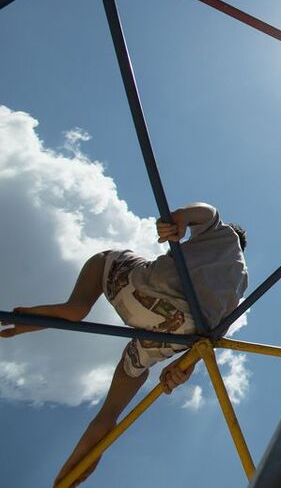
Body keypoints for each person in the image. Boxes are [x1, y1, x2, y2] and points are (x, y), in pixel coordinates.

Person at [1, 203, 248, 486]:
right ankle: (70, 473)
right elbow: (210, 340)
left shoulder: (223, 234)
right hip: (177, 330)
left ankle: (75, 307)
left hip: (142, 290)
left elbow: (207, 212)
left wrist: (179, 219)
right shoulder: (239, 286)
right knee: (125, 382)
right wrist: (181, 370)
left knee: (106, 259)